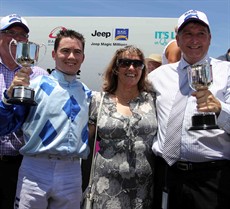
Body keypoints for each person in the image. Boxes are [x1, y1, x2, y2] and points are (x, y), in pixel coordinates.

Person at [0, 29, 91, 209]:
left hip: (71, 171)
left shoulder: (87, 93)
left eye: (77, 52)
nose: (71, 56)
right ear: (53, 54)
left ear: (83, 57)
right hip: (35, 169)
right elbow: (4, 126)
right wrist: (7, 98)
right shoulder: (33, 86)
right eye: (65, 50)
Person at [148, 9, 230, 209]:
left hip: (211, 179)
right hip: (167, 174)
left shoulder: (226, 73)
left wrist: (220, 110)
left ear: (210, 38)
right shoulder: (157, 77)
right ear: (178, 39)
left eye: (201, 33)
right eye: (188, 34)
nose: (195, 40)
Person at [82, 45, 157, 208]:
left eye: (137, 64)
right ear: (115, 68)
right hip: (106, 190)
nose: (131, 68)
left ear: (142, 69)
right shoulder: (98, 100)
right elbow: (85, 142)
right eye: (125, 63)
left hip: (144, 192)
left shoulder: (153, 100)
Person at [0, 14, 48, 209]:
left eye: (22, 35)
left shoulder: (40, 75)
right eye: (10, 32)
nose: (16, 38)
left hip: (26, 165)